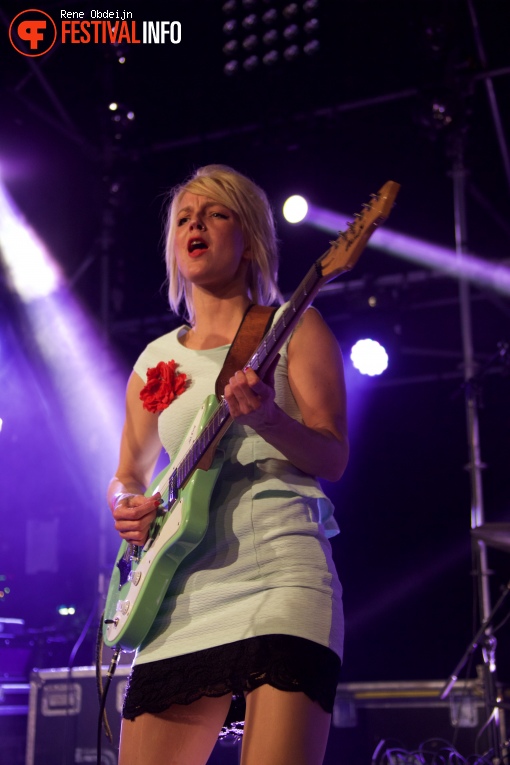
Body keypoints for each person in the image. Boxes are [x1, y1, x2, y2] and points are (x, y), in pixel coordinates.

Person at [108, 164, 349, 765]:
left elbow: (334, 454)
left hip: (280, 574)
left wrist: (270, 419)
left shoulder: (296, 327)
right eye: (185, 217)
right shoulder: (154, 359)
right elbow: (128, 473)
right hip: (178, 596)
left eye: (215, 213)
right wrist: (125, 505)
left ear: (251, 240)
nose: (195, 224)